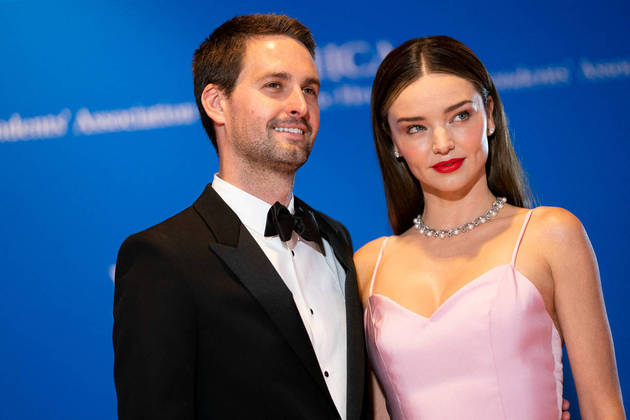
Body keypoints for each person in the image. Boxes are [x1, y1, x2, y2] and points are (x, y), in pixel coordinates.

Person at [113, 14, 369, 419]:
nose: (300, 106)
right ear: (217, 103)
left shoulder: (336, 239)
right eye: (274, 86)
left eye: (310, 89)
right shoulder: (163, 257)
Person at [354, 36, 625, 419]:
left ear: (490, 115)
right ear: (393, 142)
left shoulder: (549, 235)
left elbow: (603, 408)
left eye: (460, 116)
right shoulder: (368, 267)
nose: (443, 143)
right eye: (416, 128)